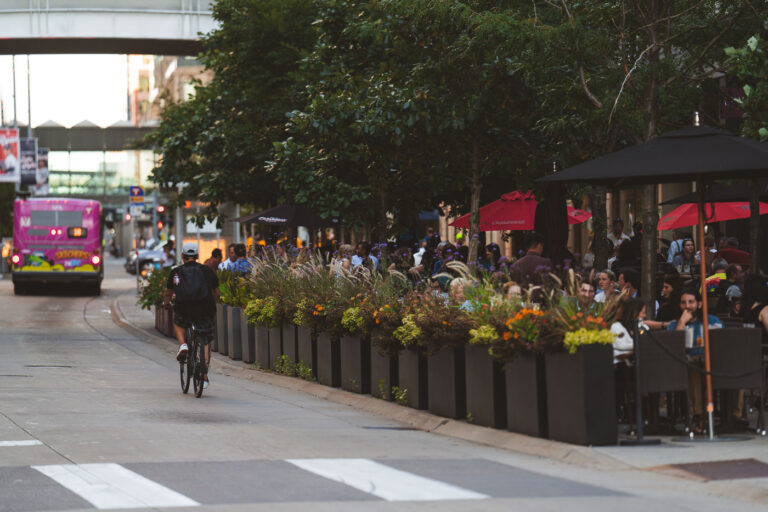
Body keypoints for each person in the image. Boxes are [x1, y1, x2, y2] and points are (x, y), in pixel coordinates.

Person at [164, 243, 220, 389]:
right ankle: (204, 375)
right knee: (206, 340)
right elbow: (216, 292)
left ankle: (183, 344)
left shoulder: (176, 272)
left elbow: (168, 292)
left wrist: (166, 303)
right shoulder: (207, 271)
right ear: (197, 256)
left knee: (179, 323)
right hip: (204, 308)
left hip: (183, 307)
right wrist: (213, 304)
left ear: (182, 256)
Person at [667, 288, 723, 430]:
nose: (687, 306)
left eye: (690, 302)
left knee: (734, 366)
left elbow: (723, 342)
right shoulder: (675, 325)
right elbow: (673, 347)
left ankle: (734, 415)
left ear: (699, 304)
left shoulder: (712, 321)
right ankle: (699, 416)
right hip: (687, 364)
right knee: (695, 371)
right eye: (683, 303)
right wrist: (682, 323)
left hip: (714, 362)